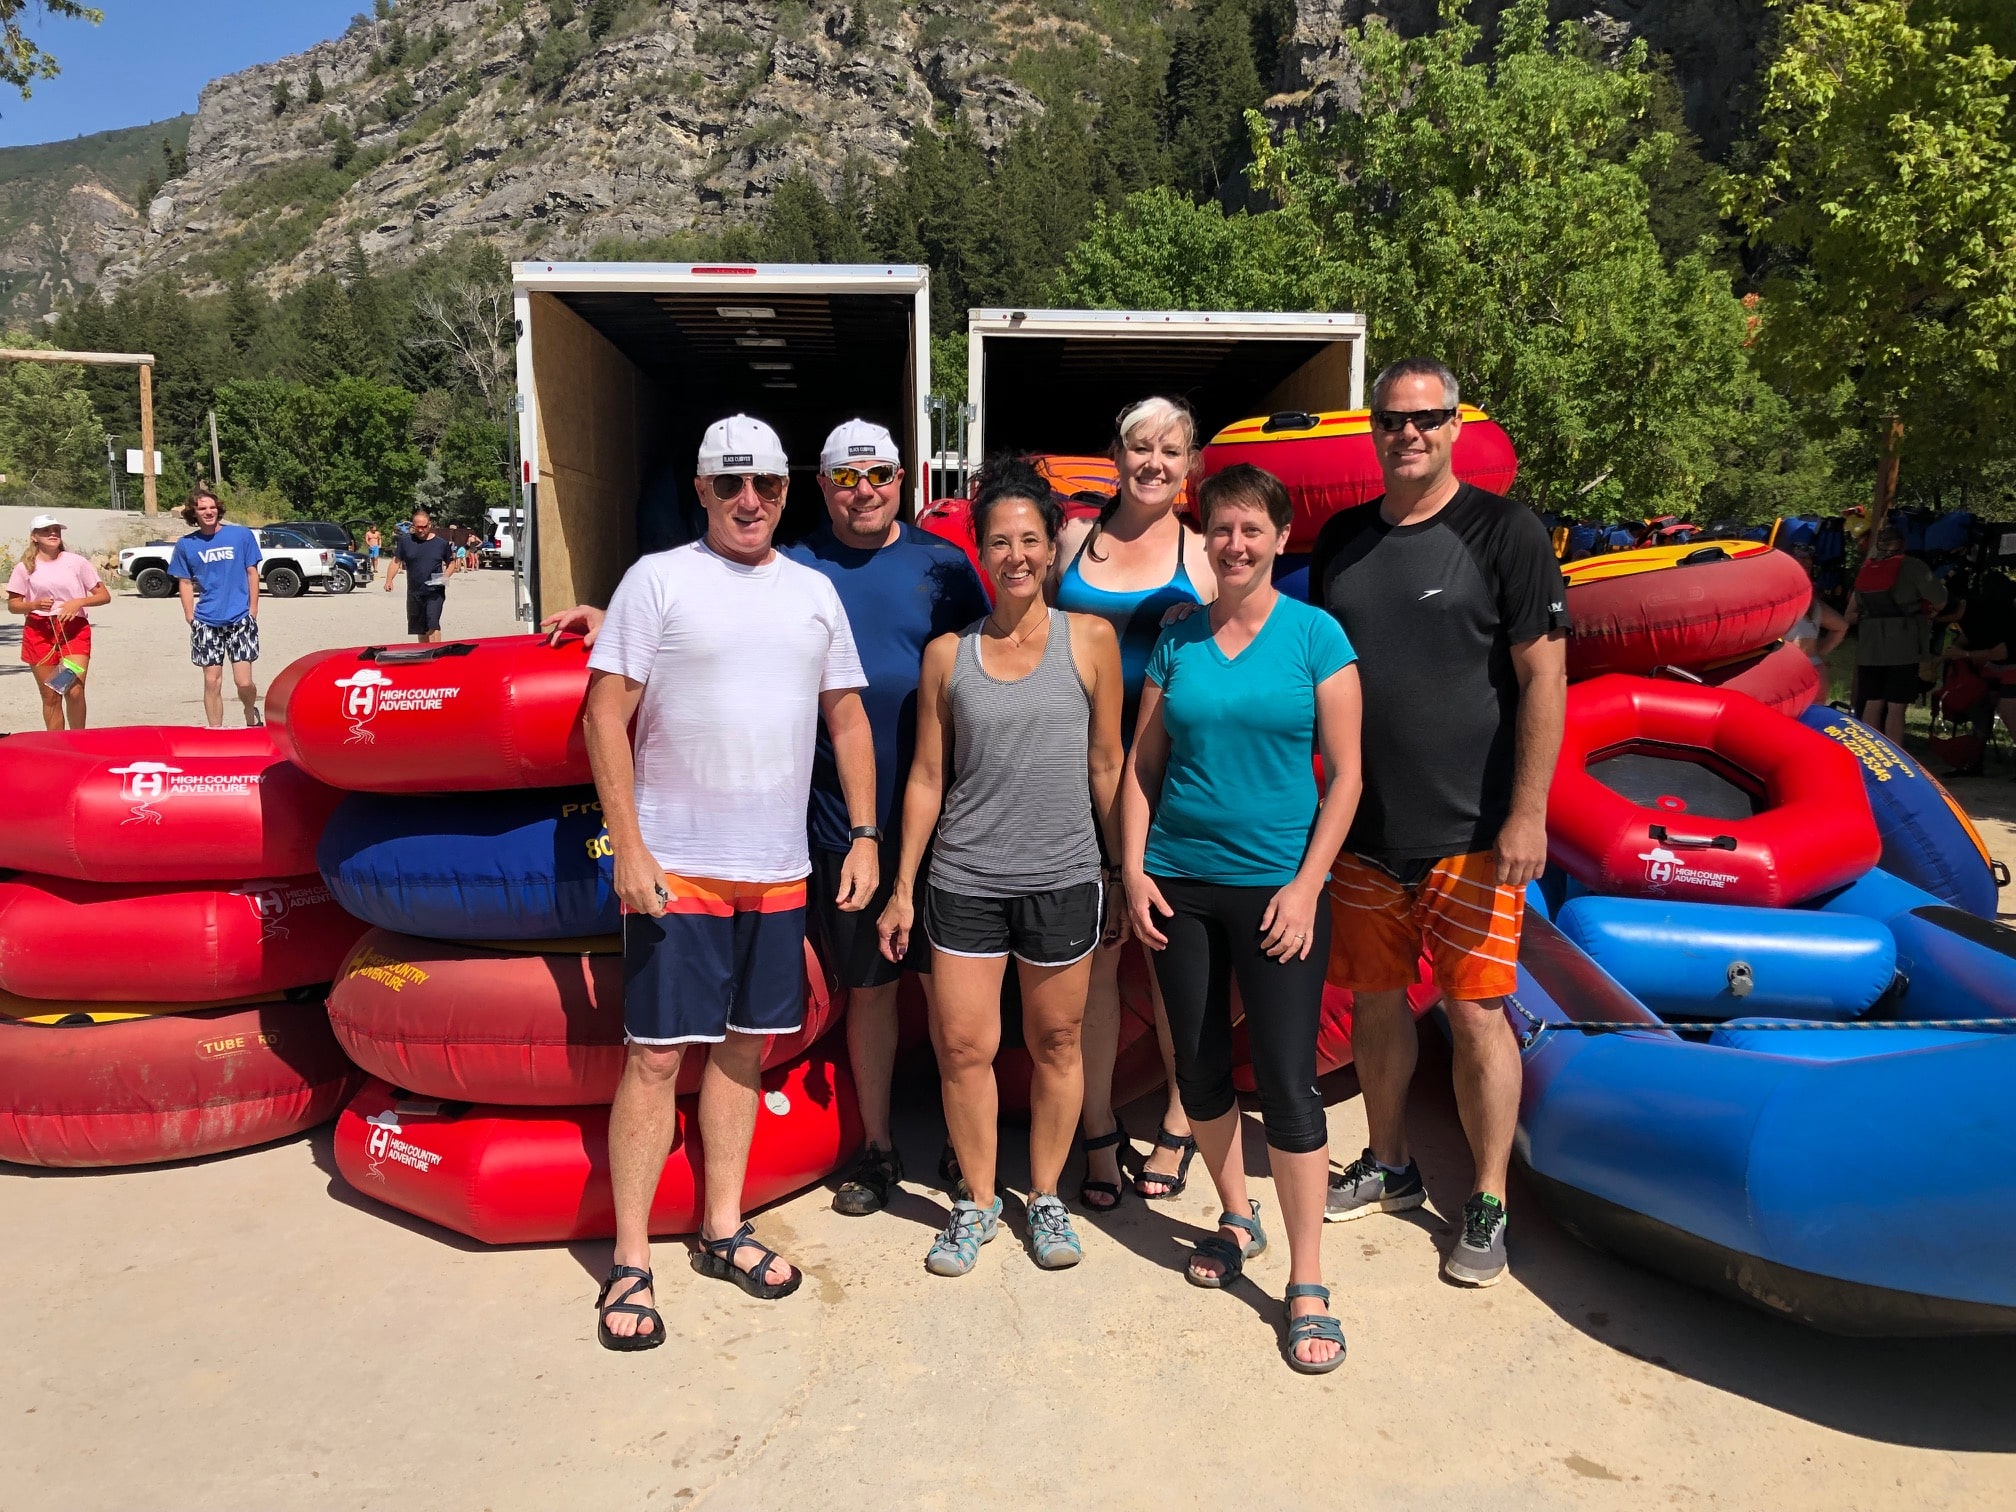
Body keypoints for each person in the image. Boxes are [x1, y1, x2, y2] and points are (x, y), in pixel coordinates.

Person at [583, 414, 879, 1351]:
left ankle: (720, 1228)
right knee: (658, 1057)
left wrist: (865, 834)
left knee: (746, 1051)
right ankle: (630, 1259)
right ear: (701, 490)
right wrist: (626, 846)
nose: (750, 501)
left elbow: (850, 723)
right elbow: (604, 717)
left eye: (767, 487)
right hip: (678, 870)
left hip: (778, 872)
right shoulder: (657, 580)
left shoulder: (814, 593)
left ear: (788, 493)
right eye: (729, 485)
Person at [1307, 357, 1568, 1289]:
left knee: (1475, 1015)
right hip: (1366, 834)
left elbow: (1545, 677)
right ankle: (1391, 1162)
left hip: (1474, 833)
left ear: (1457, 426)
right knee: (1377, 1007)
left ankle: (1488, 1197)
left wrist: (1527, 814)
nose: (1408, 433)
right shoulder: (1339, 542)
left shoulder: (1506, 532)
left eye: (1427, 418)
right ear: (1373, 430)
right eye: (1391, 419)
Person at [1122, 464, 1363, 1374]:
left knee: (1291, 1086)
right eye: (1221, 528)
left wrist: (1305, 887)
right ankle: (1235, 1215)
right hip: (1179, 883)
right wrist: (1137, 869)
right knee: (1197, 1065)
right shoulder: (1178, 640)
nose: (1235, 544)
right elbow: (1142, 766)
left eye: (1251, 529)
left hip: (1277, 892)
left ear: (1278, 536)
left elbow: (1347, 777)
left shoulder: (1316, 636)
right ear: (1205, 536)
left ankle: (1307, 1282)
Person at [877, 456, 1125, 1276]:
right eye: (999, 541)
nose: (1016, 555)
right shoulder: (948, 655)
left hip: (1064, 877)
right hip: (964, 881)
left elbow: (1106, 767)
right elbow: (925, 777)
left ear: (1053, 547)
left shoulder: (1092, 642)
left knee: (1057, 1043)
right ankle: (977, 1203)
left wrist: (1123, 872)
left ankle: (1046, 1197)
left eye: (1030, 539)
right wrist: (903, 888)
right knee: (963, 1049)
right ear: (980, 553)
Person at [782, 419, 990, 1216]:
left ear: (904, 479)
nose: (864, 491)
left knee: (947, 991)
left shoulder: (943, 566)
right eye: (846, 478)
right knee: (868, 991)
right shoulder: (793, 567)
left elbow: (993, 657)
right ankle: (875, 1147)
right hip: (845, 825)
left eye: (879, 475)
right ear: (822, 486)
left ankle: (956, 1137)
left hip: (944, 821)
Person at [1051, 395, 1217, 1209]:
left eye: (1171, 449)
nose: (1154, 462)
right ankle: (1098, 1126)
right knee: (1096, 961)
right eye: (1139, 446)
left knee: (1171, 957)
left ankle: (1181, 1120)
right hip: (1077, 778)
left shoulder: (1207, 552)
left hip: (1173, 784)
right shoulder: (1071, 542)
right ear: (1114, 454)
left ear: (1192, 463)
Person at [168, 489, 265, 728]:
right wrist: (190, 616)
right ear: (194, 513)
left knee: (243, 682)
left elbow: (252, 572)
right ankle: (216, 731)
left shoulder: (240, 535)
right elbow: (185, 581)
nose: (208, 512)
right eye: (202, 508)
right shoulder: (186, 545)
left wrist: (253, 610)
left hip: (240, 618)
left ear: (218, 509)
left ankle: (249, 711)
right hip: (207, 621)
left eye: (211, 507)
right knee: (212, 681)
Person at [6, 513, 109, 730]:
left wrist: (78, 602)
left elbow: (103, 596)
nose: (53, 534)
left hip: (73, 631)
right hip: (40, 631)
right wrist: (33, 605)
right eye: (46, 531)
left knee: (72, 688)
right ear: (34, 537)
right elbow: (13, 605)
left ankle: (78, 740)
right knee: (51, 695)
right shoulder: (25, 567)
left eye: (56, 530)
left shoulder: (76, 562)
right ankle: (58, 747)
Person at [1847, 523, 1946, 743]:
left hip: (1870, 648)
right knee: (1896, 706)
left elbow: (1850, 613)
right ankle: (1895, 757)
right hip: (1904, 645)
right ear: (1903, 544)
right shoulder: (1914, 566)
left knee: (1872, 702)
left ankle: (1868, 753)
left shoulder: (1866, 570)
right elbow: (1941, 600)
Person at [383, 507, 458, 642]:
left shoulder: (441, 544)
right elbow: (396, 562)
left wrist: (445, 576)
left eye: (424, 526)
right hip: (414, 592)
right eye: (418, 527)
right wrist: (389, 580)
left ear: (429, 525)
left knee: (432, 624)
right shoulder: (405, 542)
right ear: (413, 526)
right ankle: (424, 654)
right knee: (420, 628)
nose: (421, 530)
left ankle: (436, 655)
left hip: (434, 591)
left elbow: (451, 563)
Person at [1784, 541, 1846, 680]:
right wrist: (1819, 654)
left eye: (1808, 559)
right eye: (1802, 558)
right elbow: (1841, 626)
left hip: (1790, 668)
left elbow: (1841, 626)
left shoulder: (1780, 596)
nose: (1807, 561)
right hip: (1814, 666)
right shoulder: (1812, 598)